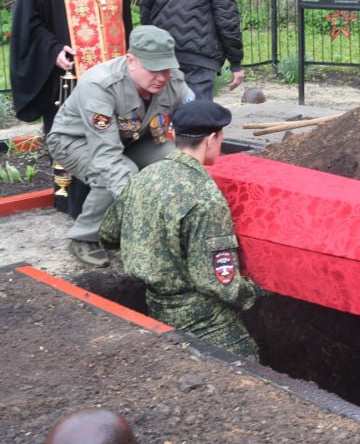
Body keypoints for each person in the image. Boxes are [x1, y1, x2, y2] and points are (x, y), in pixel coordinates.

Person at [100, 100, 264, 360]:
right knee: (247, 363)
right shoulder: (205, 198)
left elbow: (108, 235)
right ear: (211, 139)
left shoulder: (145, 177)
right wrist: (258, 291)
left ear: (175, 136)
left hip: (155, 305)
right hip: (203, 317)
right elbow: (219, 283)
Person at [9, 0, 133, 216]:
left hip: (113, 71)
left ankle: (114, 200)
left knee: (113, 135)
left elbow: (125, 13)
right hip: (71, 75)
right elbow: (27, 21)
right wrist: (52, 50)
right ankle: (75, 204)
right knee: (78, 138)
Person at [46, 25, 192, 267]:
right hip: (75, 141)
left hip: (132, 138)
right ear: (131, 60)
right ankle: (84, 238)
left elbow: (195, 111)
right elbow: (107, 156)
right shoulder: (100, 85)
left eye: (165, 69)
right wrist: (139, 212)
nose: (161, 77)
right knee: (114, 173)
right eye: (153, 69)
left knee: (175, 160)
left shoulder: (172, 79)